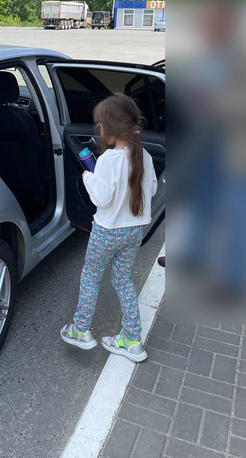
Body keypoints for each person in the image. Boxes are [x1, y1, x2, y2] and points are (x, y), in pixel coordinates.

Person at [61, 94, 158, 362]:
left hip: (106, 232)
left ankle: (81, 329)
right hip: (134, 231)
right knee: (123, 280)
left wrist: (88, 177)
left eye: (100, 125)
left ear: (109, 130)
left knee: (91, 277)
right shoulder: (145, 156)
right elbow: (151, 190)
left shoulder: (106, 160)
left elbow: (101, 199)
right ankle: (132, 340)